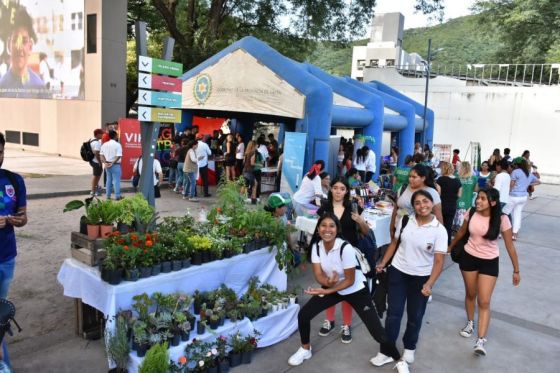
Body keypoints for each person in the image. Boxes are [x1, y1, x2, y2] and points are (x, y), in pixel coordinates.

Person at [288, 213, 409, 373]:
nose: (327, 229)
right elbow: (318, 274)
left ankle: (400, 361)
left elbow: (350, 280)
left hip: (356, 290)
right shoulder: (316, 247)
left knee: (378, 333)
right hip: (335, 287)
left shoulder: (345, 248)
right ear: (318, 229)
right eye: (323, 226)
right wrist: (326, 282)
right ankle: (305, 349)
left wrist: (329, 288)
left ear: (337, 229)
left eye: (331, 226)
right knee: (304, 315)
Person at [372, 190, 447, 367]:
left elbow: (438, 261)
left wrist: (430, 283)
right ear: (413, 206)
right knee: (393, 314)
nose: (422, 206)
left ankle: (409, 349)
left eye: (426, 201)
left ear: (432, 203)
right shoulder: (406, 221)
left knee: (415, 315)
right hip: (398, 272)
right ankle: (387, 350)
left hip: (421, 277)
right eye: (418, 203)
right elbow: (394, 243)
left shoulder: (440, 231)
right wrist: (383, 262)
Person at [449, 188, 520, 356]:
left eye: (482, 199)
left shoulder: (502, 219)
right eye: (477, 198)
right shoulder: (471, 212)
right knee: (471, 294)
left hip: (490, 261)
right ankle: (470, 322)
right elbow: (461, 232)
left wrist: (516, 270)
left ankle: (480, 340)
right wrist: (450, 247)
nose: (477, 201)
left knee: (485, 301)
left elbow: (510, 245)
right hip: (469, 258)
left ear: (493, 202)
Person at [315, 177, 370, 344]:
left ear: (346, 191)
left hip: (348, 255)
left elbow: (366, 232)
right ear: (331, 189)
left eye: (342, 188)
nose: (338, 191)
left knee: (347, 291)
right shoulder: (324, 208)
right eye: (335, 188)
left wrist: (360, 221)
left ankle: (346, 324)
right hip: (328, 254)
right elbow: (320, 230)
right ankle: (329, 320)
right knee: (328, 286)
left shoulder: (353, 208)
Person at [0, 132, 28, 369]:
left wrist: (16, 221)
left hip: (7, 256)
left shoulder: (13, 180)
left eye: (0, 151)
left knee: (0, 312)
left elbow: (23, 217)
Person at [0, 8, 48, 98]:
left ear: (30, 47)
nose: (19, 47)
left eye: (24, 41)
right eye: (15, 40)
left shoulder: (40, 89)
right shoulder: (1, 87)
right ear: (8, 46)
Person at [390, 164, 443, 238]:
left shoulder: (432, 192)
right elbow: (396, 208)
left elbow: (439, 218)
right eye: (410, 176)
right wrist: (391, 227)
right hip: (398, 230)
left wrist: (439, 238)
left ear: (423, 178)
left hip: (418, 234)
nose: (410, 179)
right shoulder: (404, 188)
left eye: (414, 177)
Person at [502, 157, 540, 240]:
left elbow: (511, 185)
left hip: (513, 196)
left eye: (514, 163)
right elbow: (539, 181)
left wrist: (507, 193)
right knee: (517, 215)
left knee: (503, 213)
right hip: (523, 197)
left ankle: (499, 233)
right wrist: (528, 184)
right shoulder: (528, 173)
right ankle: (514, 234)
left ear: (517, 164)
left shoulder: (515, 172)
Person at [436, 161, 462, 244]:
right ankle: (448, 243)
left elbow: (438, 193)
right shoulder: (457, 181)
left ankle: (439, 242)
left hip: (442, 205)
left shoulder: (440, 180)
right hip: (452, 205)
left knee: (440, 224)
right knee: (449, 224)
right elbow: (459, 195)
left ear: (444, 169)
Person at [454, 161, 479, 232]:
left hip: (458, 201)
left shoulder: (456, 176)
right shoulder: (474, 178)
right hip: (468, 202)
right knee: (466, 221)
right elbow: (476, 190)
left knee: (457, 223)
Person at [100, 130, 122, 200]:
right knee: (116, 181)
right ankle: (117, 196)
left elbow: (101, 155)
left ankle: (108, 196)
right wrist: (112, 162)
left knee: (108, 180)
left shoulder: (104, 144)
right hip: (115, 165)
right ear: (115, 136)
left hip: (107, 164)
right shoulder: (118, 145)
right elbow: (118, 156)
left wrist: (105, 163)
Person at [89, 129, 104, 196]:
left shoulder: (91, 140)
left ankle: (95, 189)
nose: (102, 135)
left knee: (96, 175)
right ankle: (93, 191)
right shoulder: (96, 143)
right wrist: (100, 162)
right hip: (96, 162)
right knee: (96, 176)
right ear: (97, 134)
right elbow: (96, 153)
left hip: (92, 160)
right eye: (101, 134)